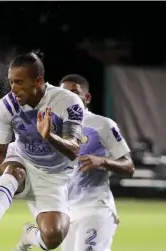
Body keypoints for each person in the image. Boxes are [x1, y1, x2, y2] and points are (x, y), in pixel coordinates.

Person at [0, 52, 85, 251]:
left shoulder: (68, 102)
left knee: (53, 238)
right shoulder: (7, 105)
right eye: (10, 82)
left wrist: (49, 136)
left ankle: (29, 236)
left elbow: (74, 150)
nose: (13, 89)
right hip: (22, 159)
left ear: (38, 81)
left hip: (54, 177)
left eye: (19, 82)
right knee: (14, 172)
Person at [58, 74, 135, 251]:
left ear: (87, 97)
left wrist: (102, 161)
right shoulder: (54, 130)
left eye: (75, 92)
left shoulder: (102, 124)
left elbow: (129, 167)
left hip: (94, 209)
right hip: (66, 214)